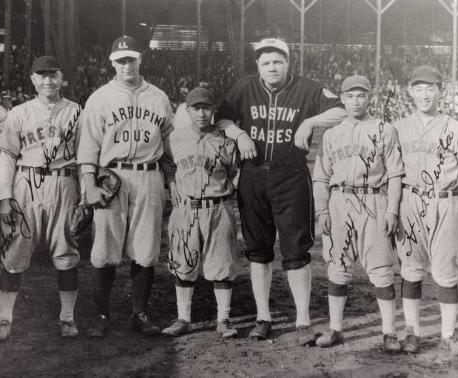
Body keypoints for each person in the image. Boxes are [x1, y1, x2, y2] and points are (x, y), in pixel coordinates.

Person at [216, 38, 346, 345]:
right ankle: (264, 317)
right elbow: (221, 117)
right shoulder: (245, 87)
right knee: (258, 249)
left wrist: (310, 121)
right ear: (258, 65)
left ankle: (303, 319)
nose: (272, 67)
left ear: (288, 63)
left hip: (291, 176)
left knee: (296, 249)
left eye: (278, 61)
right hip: (253, 175)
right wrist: (238, 133)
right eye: (266, 62)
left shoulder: (307, 88)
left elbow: (339, 110)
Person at [77, 35, 174, 338]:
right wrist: (88, 183)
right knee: (105, 248)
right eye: (120, 60)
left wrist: (171, 181)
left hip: (148, 175)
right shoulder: (100, 98)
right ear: (112, 63)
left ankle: (140, 314)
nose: (126, 64)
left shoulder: (158, 96)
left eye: (131, 58)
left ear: (140, 59)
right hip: (111, 178)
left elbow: (171, 141)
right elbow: (88, 145)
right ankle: (101, 314)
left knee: (145, 248)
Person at [0, 56, 81, 342]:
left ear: (61, 77)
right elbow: (7, 158)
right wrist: (5, 198)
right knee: (14, 250)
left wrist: (84, 200)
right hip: (25, 184)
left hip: (63, 184)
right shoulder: (19, 112)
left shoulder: (76, 111)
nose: (48, 81)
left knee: (66, 252)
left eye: (53, 75)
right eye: (42, 75)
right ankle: (5, 318)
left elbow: (85, 158)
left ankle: (67, 318)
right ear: (32, 80)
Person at [312, 75, 404, 353]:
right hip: (340, 200)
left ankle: (389, 332)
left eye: (361, 95)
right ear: (341, 98)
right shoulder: (332, 133)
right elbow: (320, 177)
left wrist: (392, 210)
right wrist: (321, 210)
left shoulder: (384, 129)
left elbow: (396, 174)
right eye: (350, 96)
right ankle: (336, 328)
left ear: (369, 97)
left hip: (373, 200)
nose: (355, 101)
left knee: (381, 269)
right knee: (337, 267)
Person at [394, 66, 458, 356]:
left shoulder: (457, 128)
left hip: (445, 202)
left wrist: (450, 197)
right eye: (418, 88)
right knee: (411, 269)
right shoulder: (398, 127)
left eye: (430, 88)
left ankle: (448, 336)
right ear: (410, 92)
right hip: (410, 202)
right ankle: (412, 332)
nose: (424, 94)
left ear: (440, 91)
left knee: (446, 271)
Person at [162, 87, 240, 338]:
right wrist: (172, 184)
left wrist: (228, 193)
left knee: (222, 264)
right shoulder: (174, 138)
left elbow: (237, 171)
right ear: (187, 110)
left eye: (206, 108)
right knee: (183, 262)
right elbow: (167, 165)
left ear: (213, 110)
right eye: (196, 108)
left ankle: (224, 319)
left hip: (218, 208)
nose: (202, 113)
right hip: (186, 209)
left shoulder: (225, 139)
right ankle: (183, 318)